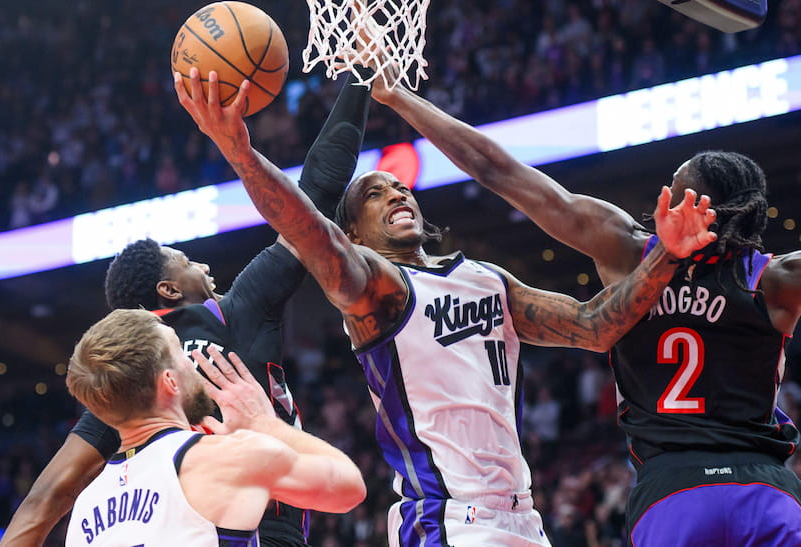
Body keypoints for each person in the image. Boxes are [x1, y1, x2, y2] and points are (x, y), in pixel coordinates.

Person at [365, 77, 801, 545]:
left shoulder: (626, 248)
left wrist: (402, 100)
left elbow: (499, 170)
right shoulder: (780, 279)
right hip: (763, 491)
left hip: (673, 496)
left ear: (686, 201)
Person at [176, 67, 718, 546]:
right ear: (352, 232)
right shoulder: (376, 290)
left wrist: (667, 256)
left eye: (399, 187)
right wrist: (240, 153)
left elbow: (596, 327)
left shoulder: (487, 280)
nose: (396, 194)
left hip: (523, 519)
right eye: (374, 194)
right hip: (445, 521)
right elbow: (307, 229)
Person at [3, 78, 371, 546]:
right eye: (186, 260)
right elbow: (314, 195)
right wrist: (359, 80)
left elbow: (46, 498)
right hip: (262, 519)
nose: (202, 264)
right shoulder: (237, 309)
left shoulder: (125, 385)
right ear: (168, 289)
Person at [63, 308, 366, 546]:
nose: (189, 360)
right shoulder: (227, 458)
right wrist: (269, 426)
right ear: (169, 381)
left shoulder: (85, 507)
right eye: (179, 352)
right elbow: (349, 488)